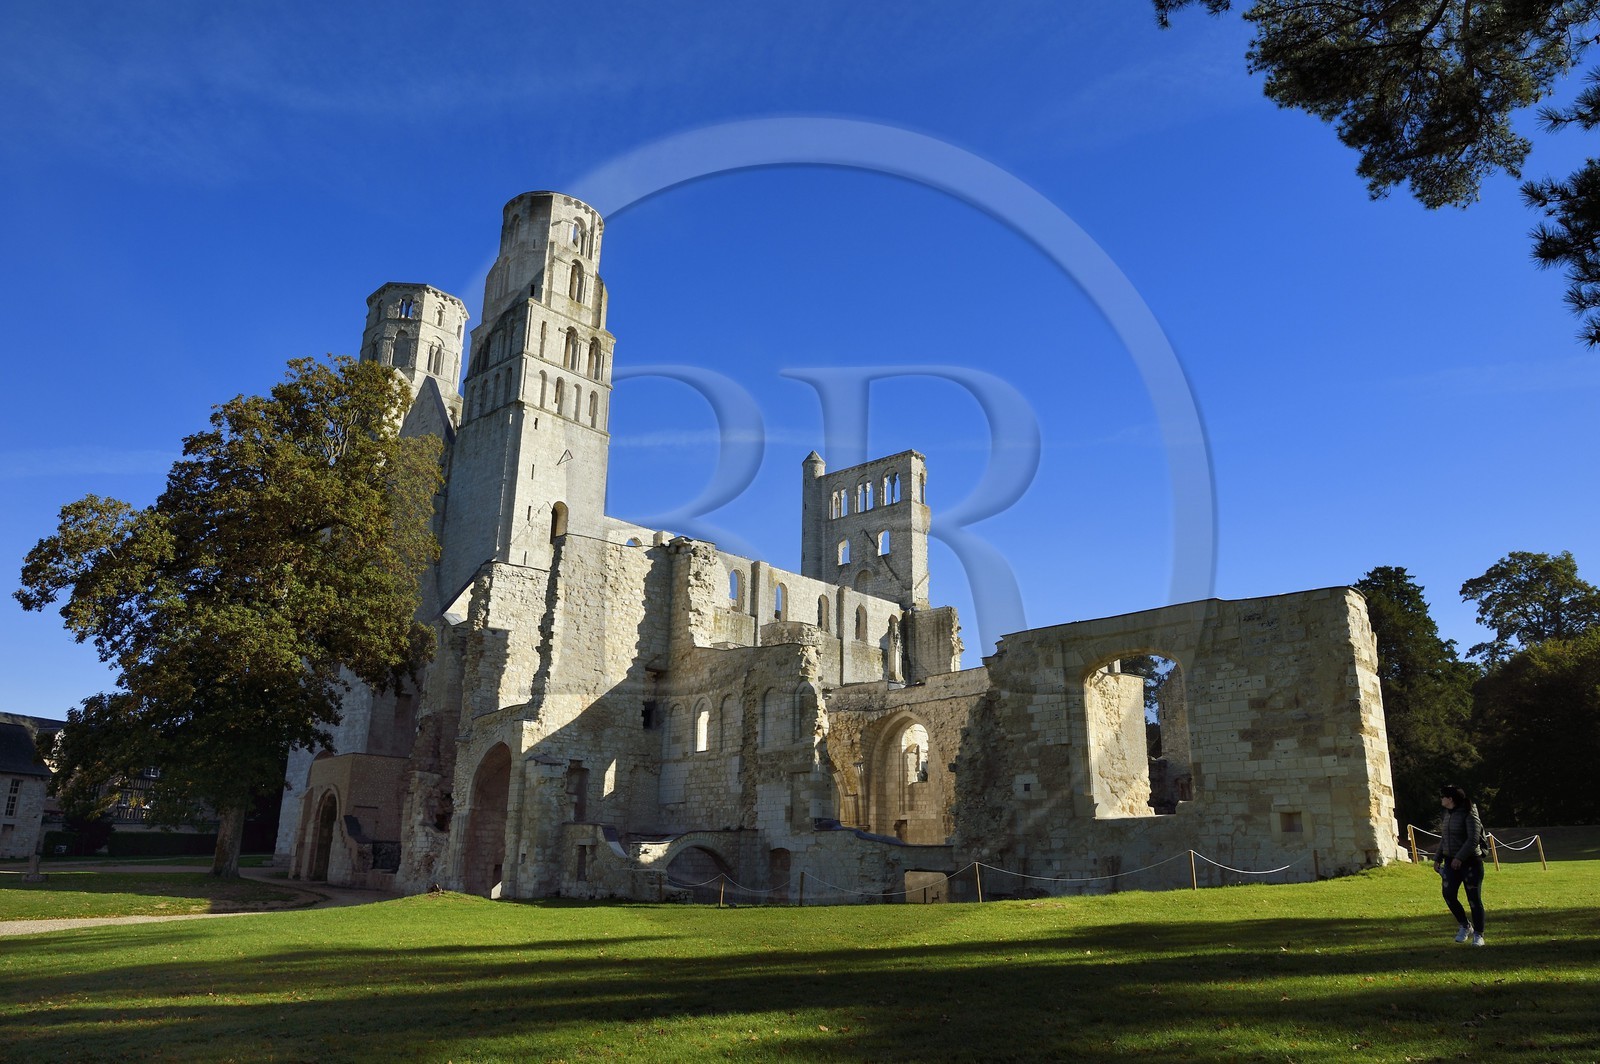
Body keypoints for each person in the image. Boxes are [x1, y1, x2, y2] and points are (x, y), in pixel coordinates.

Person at [1433, 784, 1487, 946]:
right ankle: (1465, 925)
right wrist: (1438, 858)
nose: (1441, 799)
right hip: (1451, 861)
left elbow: (1473, 839)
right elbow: (1445, 839)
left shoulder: (1469, 813)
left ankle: (1479, 934)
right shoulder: (1448, 815)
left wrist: (1460, 857)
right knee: (1448, 894)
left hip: (1471, 862)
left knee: (1474, 898)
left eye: (1443, 796)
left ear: (1450, 799)